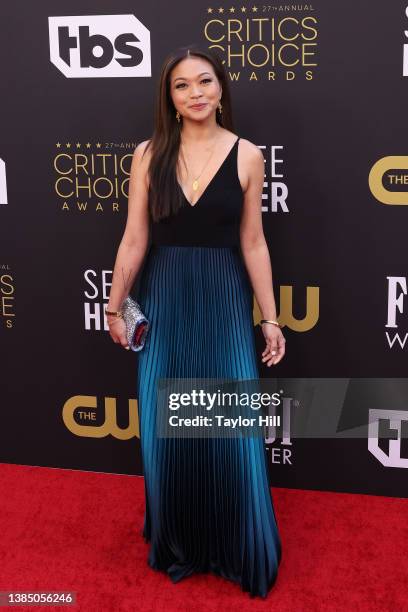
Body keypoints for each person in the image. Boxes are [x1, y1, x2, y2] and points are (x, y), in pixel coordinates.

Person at [106, 45, 286, 598]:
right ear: (171, 98)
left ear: (221, 87)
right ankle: (180, 537)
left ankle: (236, 543)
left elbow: (253, 242)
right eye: (181, 86)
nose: (195, 93)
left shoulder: (248, 155)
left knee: (229, 428)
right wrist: (115, 305)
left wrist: (270, 319)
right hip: (163, 297)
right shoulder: (147, 154)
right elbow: (136, 238)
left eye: (204, 81)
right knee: (169, 428)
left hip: (224, 298)